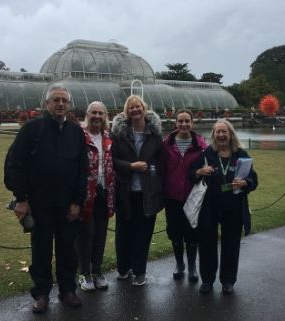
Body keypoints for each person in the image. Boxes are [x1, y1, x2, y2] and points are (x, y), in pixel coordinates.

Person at [6, 85, 88, 313]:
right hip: (39, 203)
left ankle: (67, 289)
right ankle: (41, 293)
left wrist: (77, 201)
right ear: (46, 104)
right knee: (41, 250)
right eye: (56, 100)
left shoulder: (75, 132)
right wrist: (21, 199)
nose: (60, 104)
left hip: (67, 204)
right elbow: (16, 164)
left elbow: (83, 168)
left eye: (64, 100)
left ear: (69, 104)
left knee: (67, 249)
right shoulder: (32, 129)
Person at [189, 119, 258, 295]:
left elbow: (253, 180)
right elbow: (191, 174)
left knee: (231, 245)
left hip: (234, 208)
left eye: (224, 132)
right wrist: (199, 172)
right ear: (213, 135)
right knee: (207, 245)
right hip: (209, 207)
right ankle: (207, 280)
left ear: (230, 134)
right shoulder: (207, 154)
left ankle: (228, 280)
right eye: (217, 132)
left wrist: (245, 182)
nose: (221, 135)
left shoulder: (241, 154)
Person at [111, 95, 163, 286]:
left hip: (147, 193)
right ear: (127, 111)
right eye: (131, 107)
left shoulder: (155, 134)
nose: (135, 110)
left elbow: (161, 162)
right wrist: (131, 166)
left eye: (138, 106)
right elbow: (113, 160)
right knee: (123, 233)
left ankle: (140, 270)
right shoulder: (119, 134)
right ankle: (123, 268)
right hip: (125, 192)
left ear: (144, 108)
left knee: (143, 234)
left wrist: (156, 180)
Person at [160, 110, 207, 282]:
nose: (184, 124)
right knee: (175, 232)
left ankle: (193, 267)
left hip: (192, 197)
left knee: (192, 232)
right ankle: (180, 264)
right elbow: (162, 169)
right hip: (172, 197)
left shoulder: (201, 146)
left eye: (187, 121)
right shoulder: (167, 144)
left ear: (192, 123)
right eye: (180, 121)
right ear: (175, 123)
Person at [76, 101, 115, 292]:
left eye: (101, 113)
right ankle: (84, 273)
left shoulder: (108, 137)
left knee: (100, 234)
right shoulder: (79, 136)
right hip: (85, 195)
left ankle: (97, 271)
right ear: (87, 114)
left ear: (105, 116)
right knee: (86, 234)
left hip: (104, 193)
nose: (97, 116)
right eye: (94, 113)